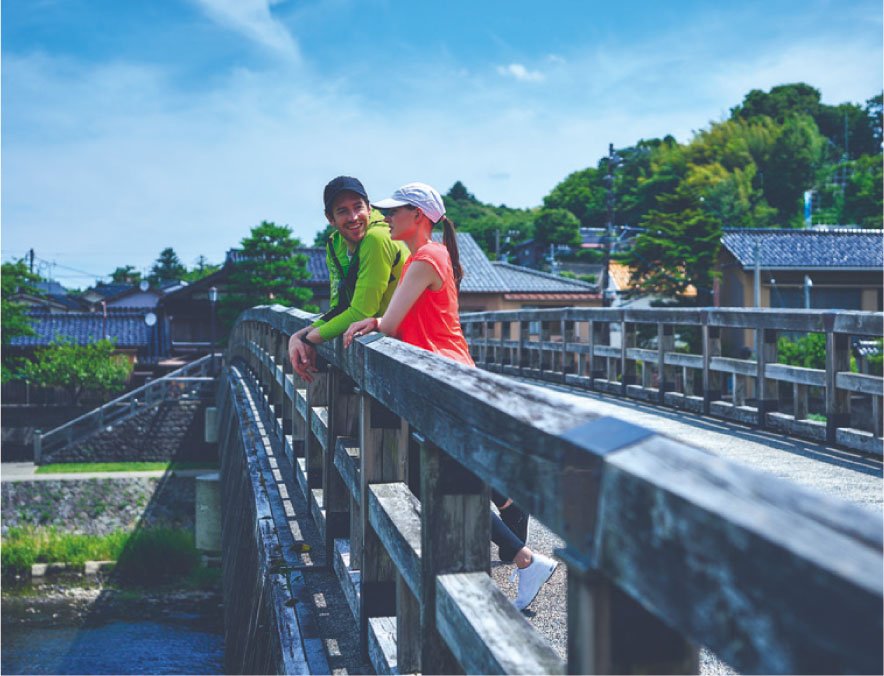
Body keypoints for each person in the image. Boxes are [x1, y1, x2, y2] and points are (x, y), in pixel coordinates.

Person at [343, 182, 557, 611]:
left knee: (438, 479)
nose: (386, 217)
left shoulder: (424, 259)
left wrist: (368, 321)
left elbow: (390, 324)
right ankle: (515, 513)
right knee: (451, 473)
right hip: (448, 372)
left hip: (443, 377)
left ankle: (526, 559)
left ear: (418, 216)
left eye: (394, 211)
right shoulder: (431, 255)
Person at [288, 176, 409, 382]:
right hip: (377, 346)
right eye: (342, 211)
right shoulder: (335, 245)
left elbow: (362, 311)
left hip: (404, 350)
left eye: (358, 207)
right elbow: (340, 307)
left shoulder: (378, 238)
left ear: (369, 208)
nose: (353, 217)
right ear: (330, 218)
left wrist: (310, 339)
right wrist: (298, 336)